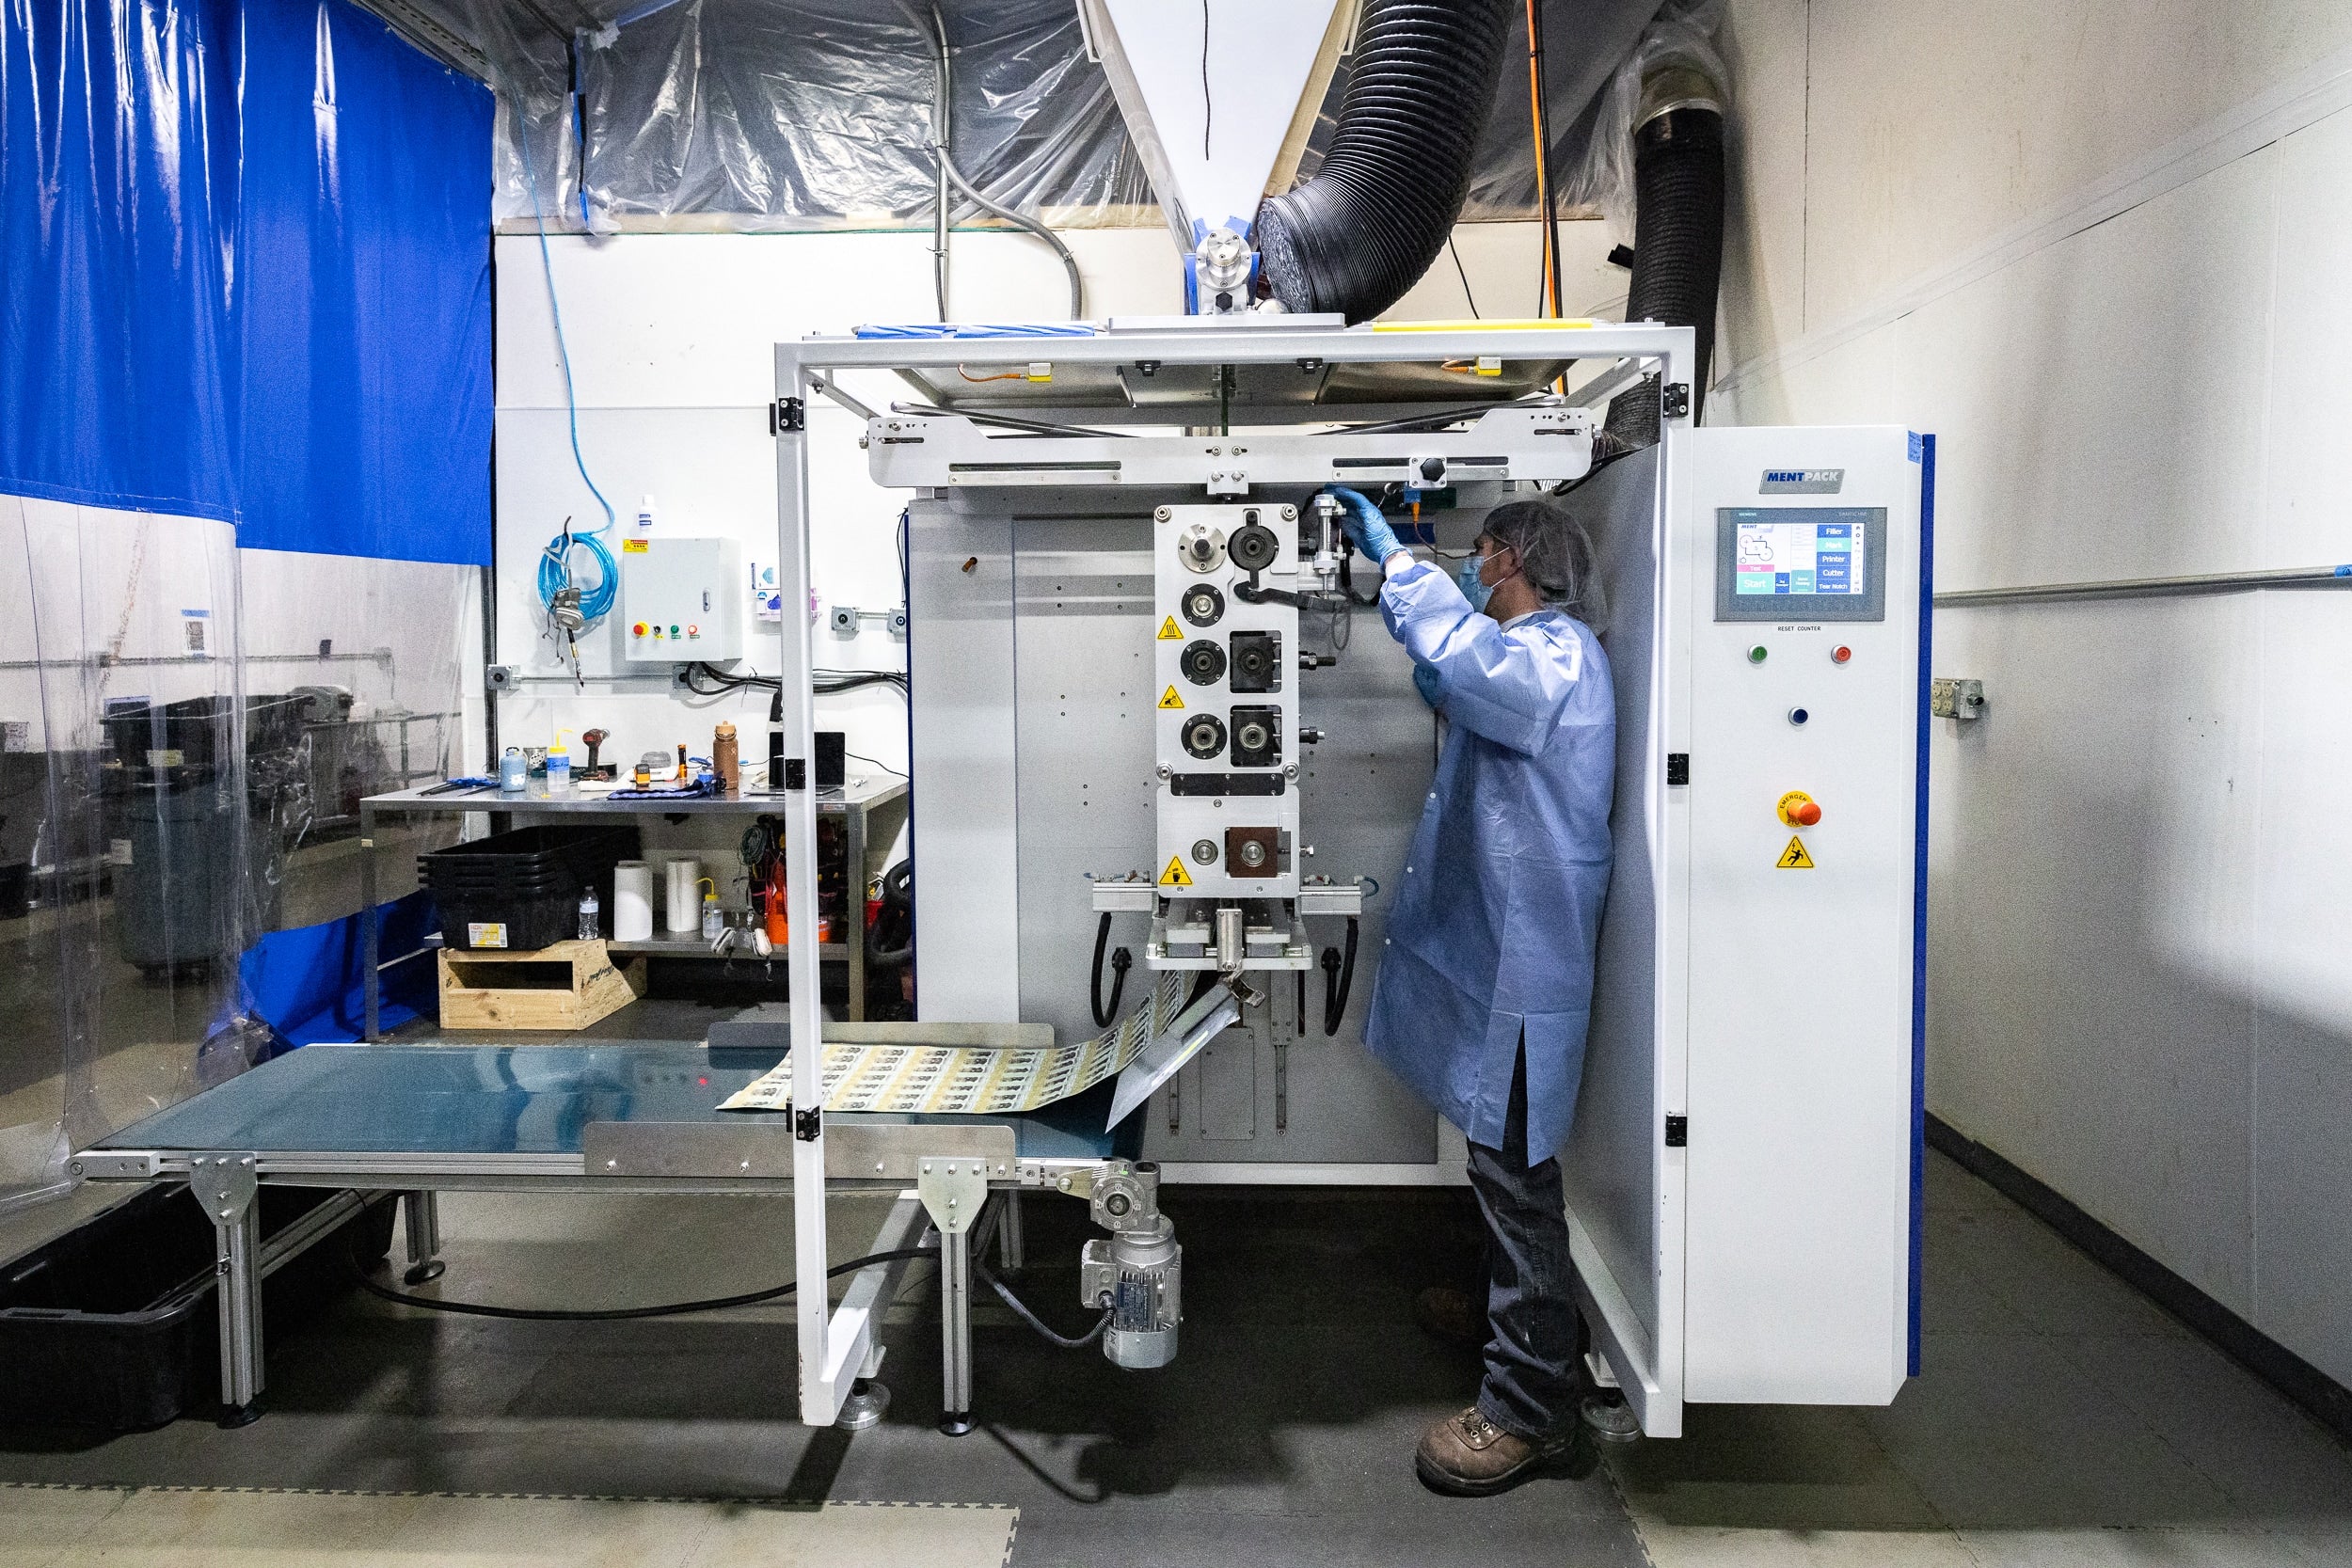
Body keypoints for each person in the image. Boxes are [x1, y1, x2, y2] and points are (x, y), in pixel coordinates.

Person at [1326, 486, 1616, 1497]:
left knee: (1516, 1179)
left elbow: (1465, 666)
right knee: (1497, 1163)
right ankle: (1513, 1311)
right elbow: (1458, 685)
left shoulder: (1553, 654)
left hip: (1524, 971)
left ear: (1513, 560)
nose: (1469, 566)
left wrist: (1399, 570)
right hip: (1498, 953)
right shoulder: (1530, 659)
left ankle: (1532, 1407)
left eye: (1478, 552)